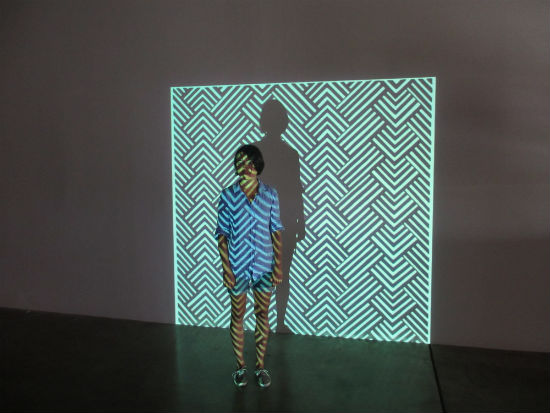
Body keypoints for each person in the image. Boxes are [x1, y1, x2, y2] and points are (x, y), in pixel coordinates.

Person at [215, 144, 284, 388]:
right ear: (235, 166)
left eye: (250, 162)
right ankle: (240, 367)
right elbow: (222, 235)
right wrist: (226, 269)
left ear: (258, 164)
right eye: (241, 162)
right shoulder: (228, 195)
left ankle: (260, 366)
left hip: (264, 265)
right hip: (237, 266)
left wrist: (278, 265)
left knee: (262, 314)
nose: (246, 167)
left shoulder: (270, 194)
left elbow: (276, 229)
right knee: (237, 315)